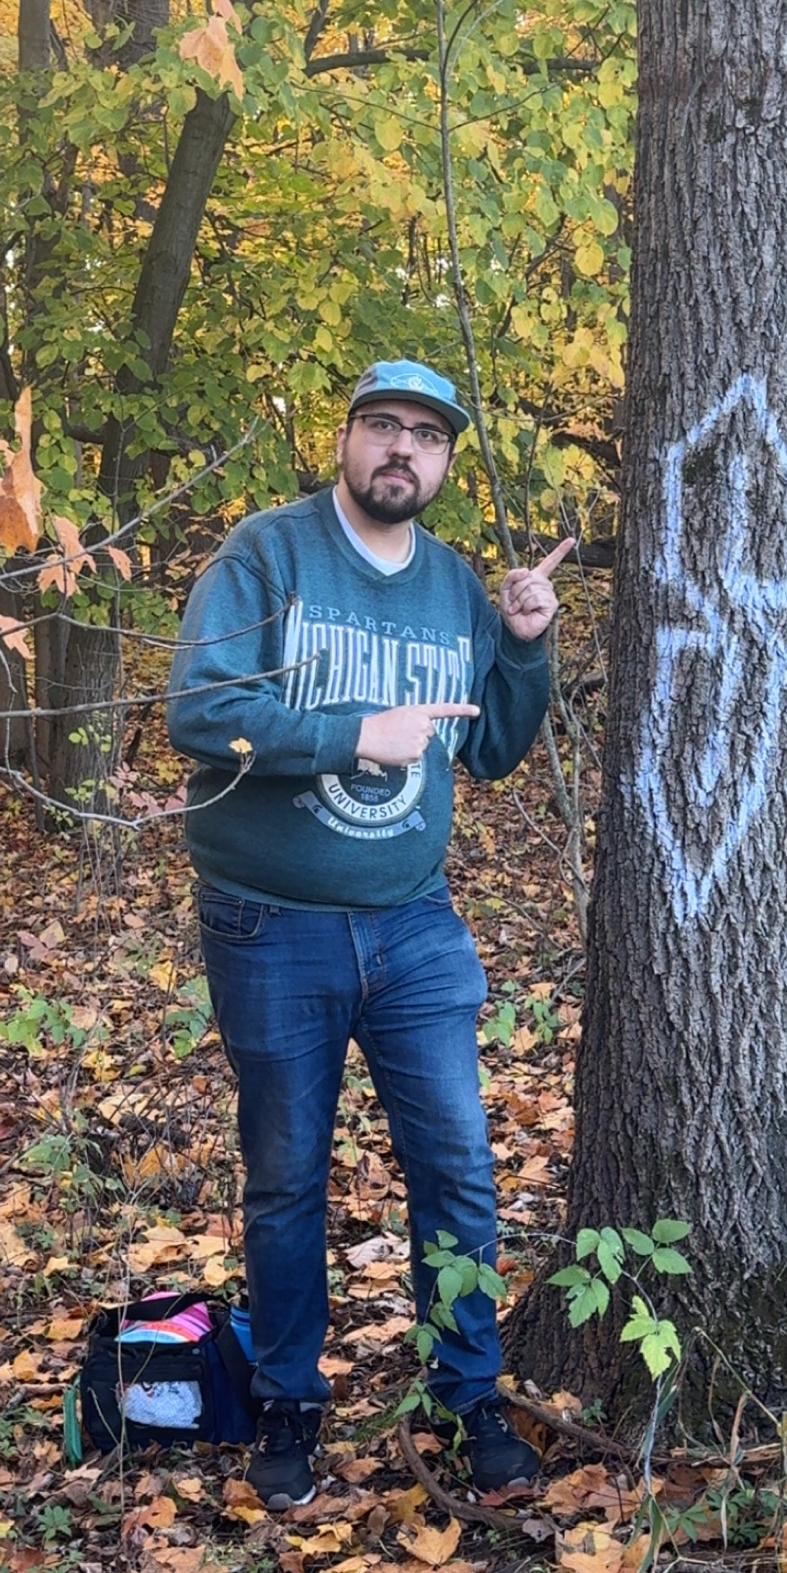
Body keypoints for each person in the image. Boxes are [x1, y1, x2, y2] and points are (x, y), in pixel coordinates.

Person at [166, 359, 573, 1510]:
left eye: (426, 436)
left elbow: (491, 748)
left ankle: (467, 1393)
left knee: (457, 1165)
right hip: (270, 922)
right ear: (347, 438)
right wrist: (355, 733)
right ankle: (289, 1399)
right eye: (383, 425)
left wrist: (524, 643)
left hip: (414, 922)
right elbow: (199, 710)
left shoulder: (453, 586)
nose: (403, 448)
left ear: (443, 462)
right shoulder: (269, 554)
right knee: (287, 1175)